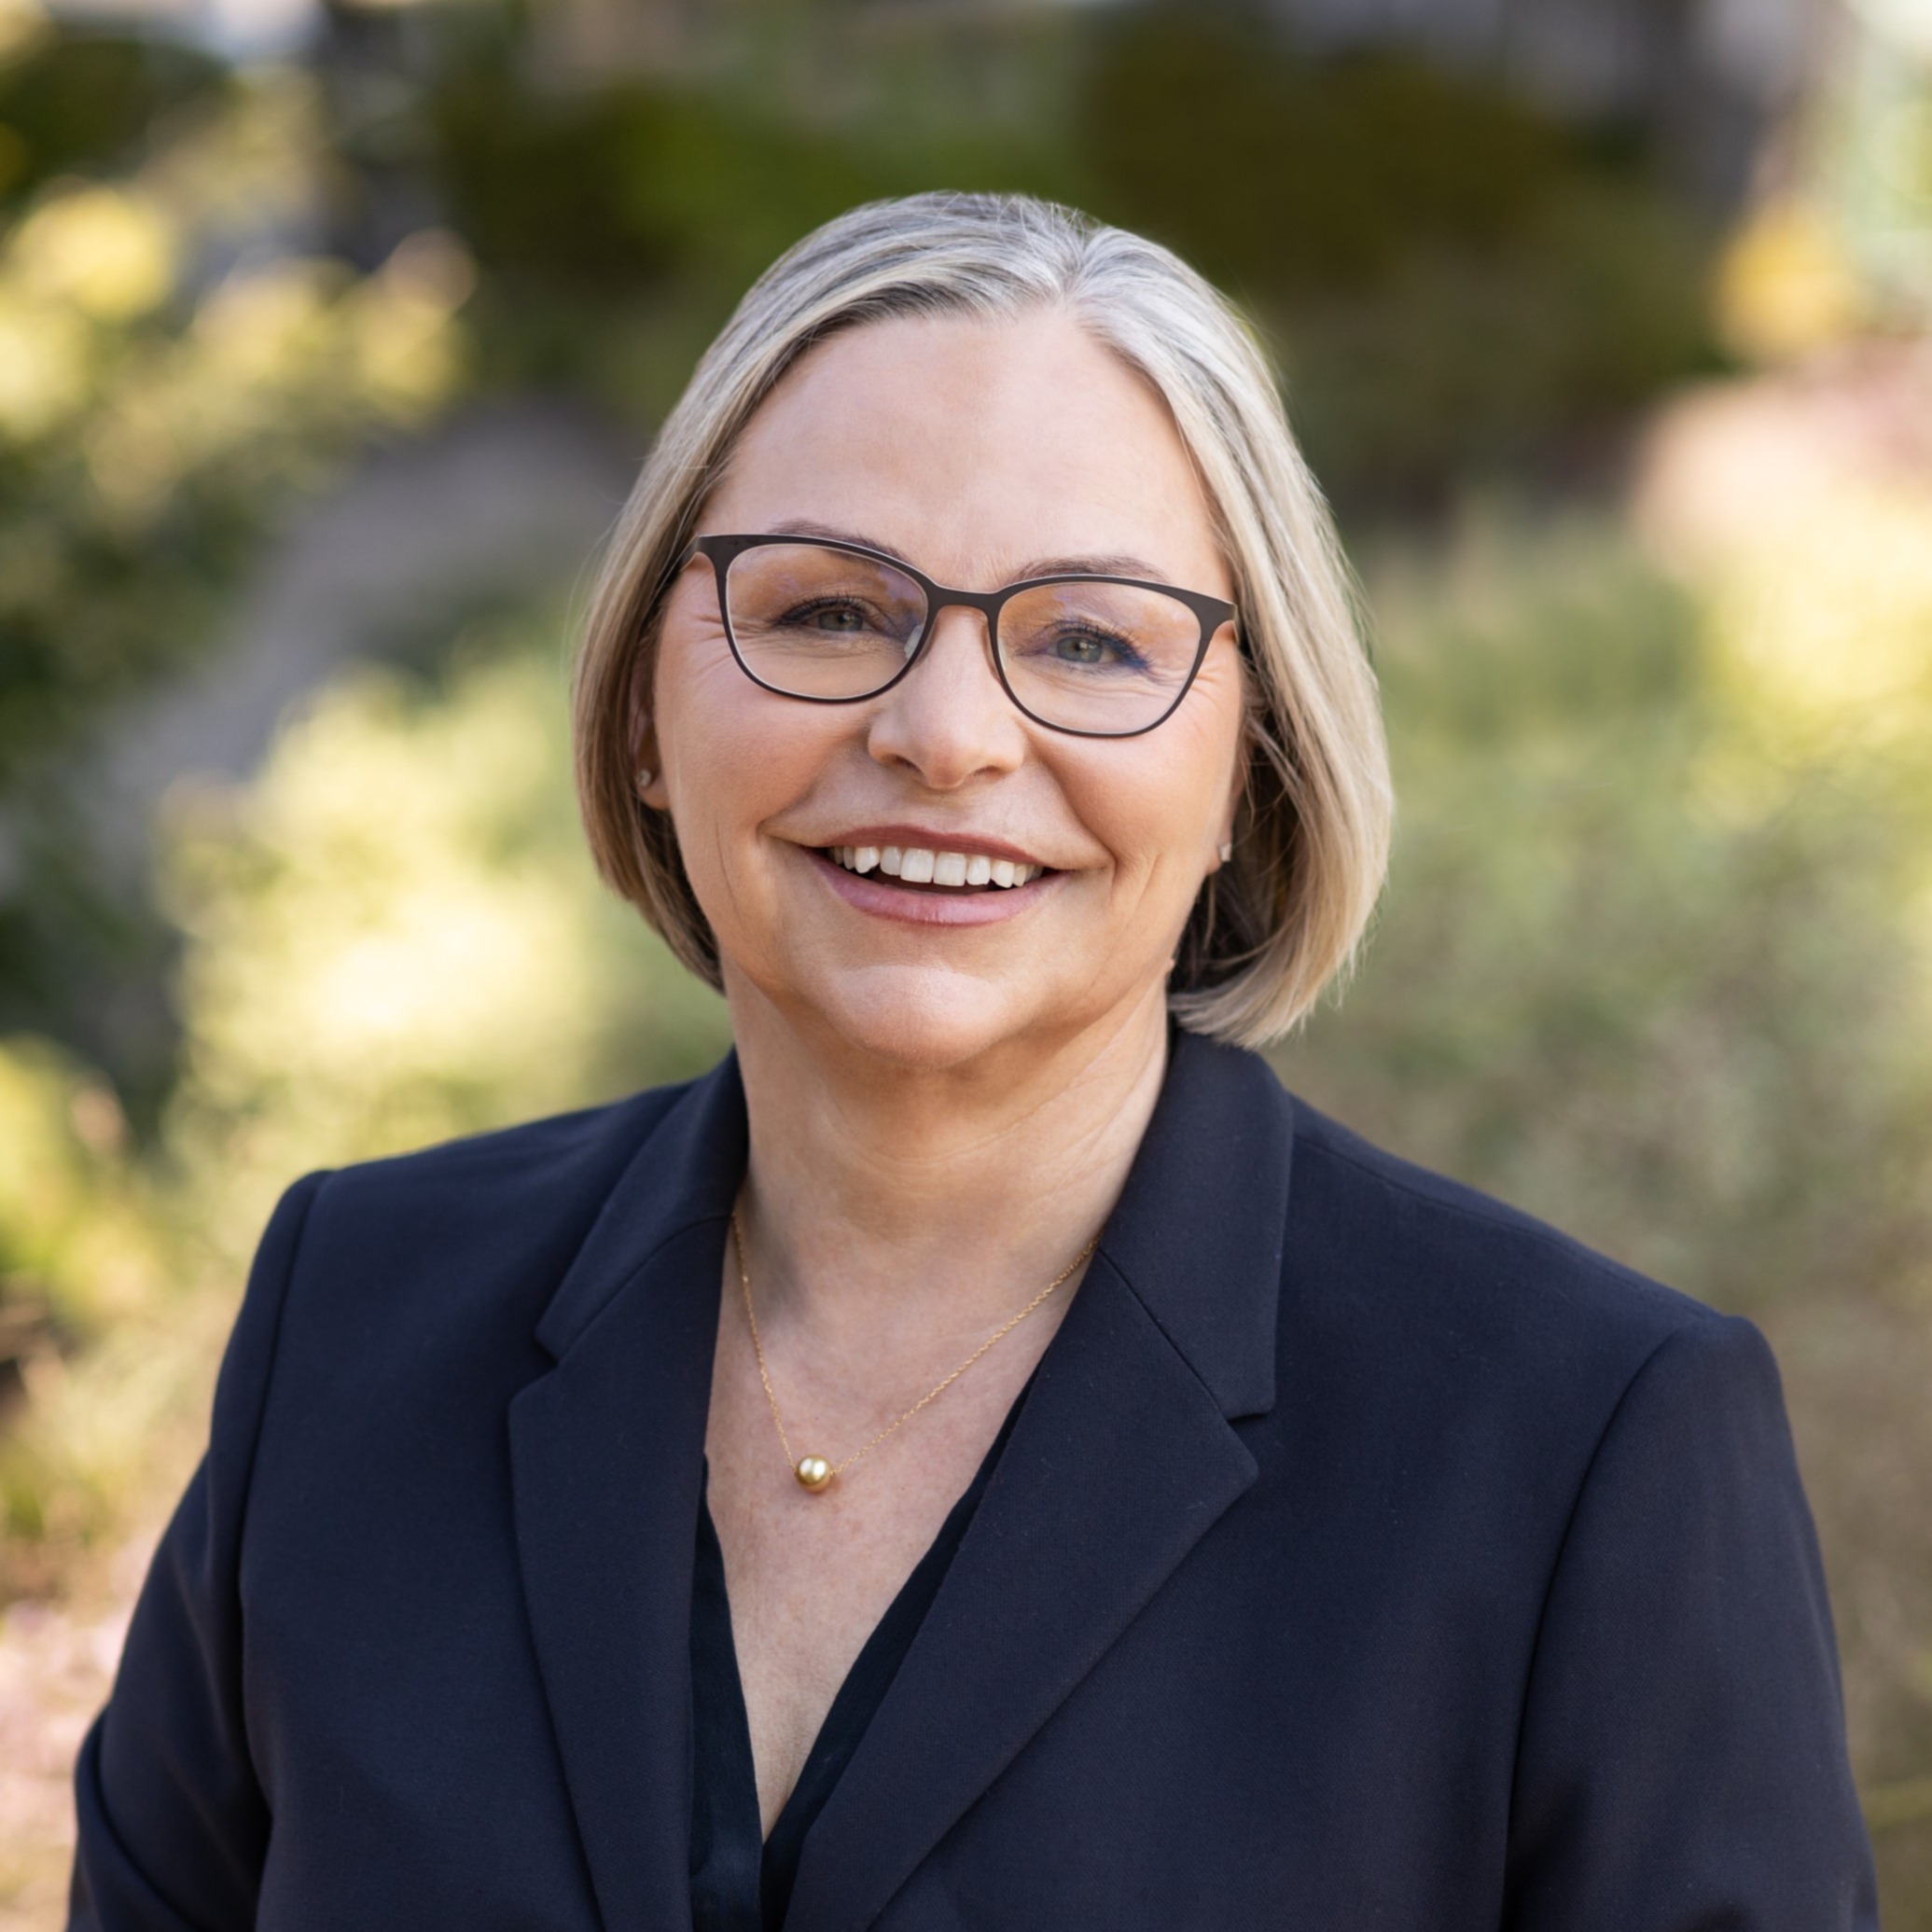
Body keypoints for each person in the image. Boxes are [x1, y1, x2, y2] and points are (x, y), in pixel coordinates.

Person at [70, 193, 1876, 1931]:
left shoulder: (1584, 1448)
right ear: (640, 705)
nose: (943, 735)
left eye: (1090, 638)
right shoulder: (355, 1317)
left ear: (1248, 763)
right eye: (826, 609)